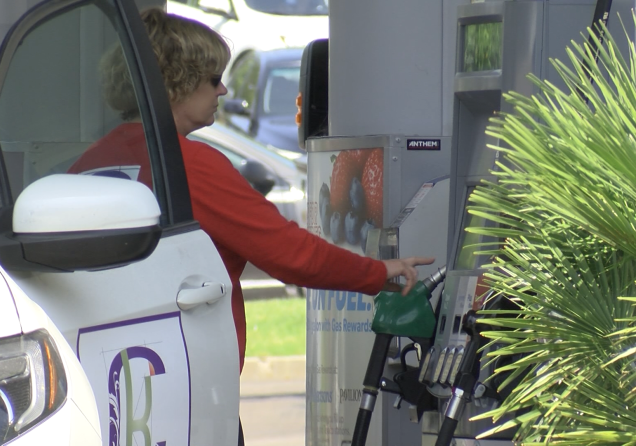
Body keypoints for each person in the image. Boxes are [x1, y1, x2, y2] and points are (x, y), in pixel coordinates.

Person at [69, 7, 434, 443]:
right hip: (184, 389)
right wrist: (379, 273)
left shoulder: (90, 162)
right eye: (211, 79)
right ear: (175, 83)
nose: (223, 89)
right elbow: (290, 253)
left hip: (116, 388)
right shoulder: (188, 164)